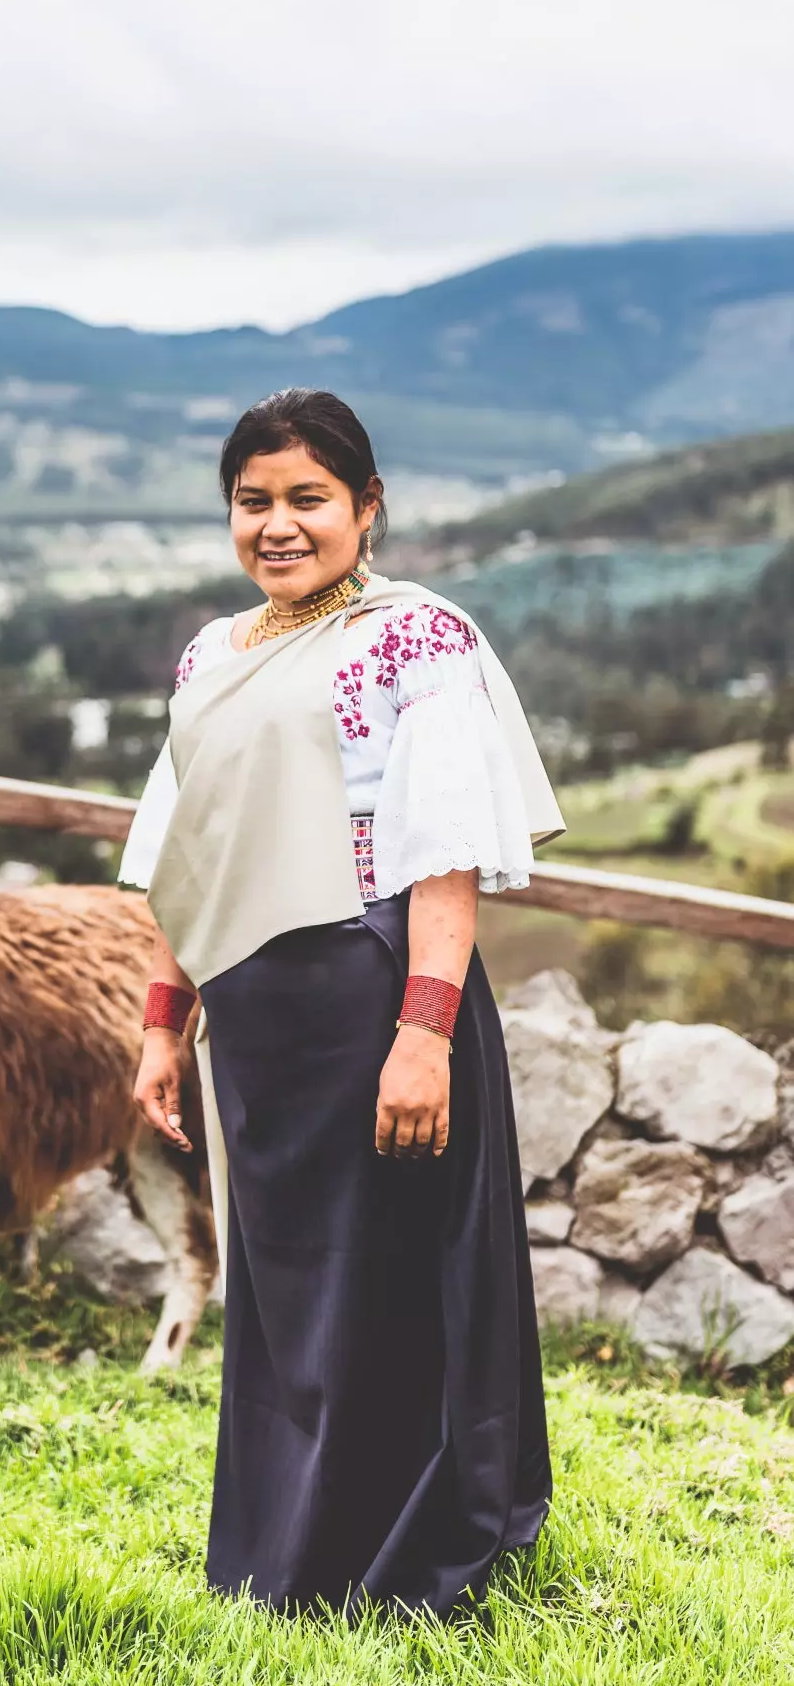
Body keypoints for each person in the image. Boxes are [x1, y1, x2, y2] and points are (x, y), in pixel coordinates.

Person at [120, 387, 562, 1620]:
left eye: (308, 497)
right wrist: (167, 1017)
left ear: (367, 508)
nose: (278, 523)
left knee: (394, 1279)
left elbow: (444, 852)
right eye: (253, 500)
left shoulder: (417, 641)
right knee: (285, 1289)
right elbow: (185, 849)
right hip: (262, 1026)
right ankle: (291, 1552)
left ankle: (410, 1560)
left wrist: (424, 1034)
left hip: (377, 998)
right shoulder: (215, 654)